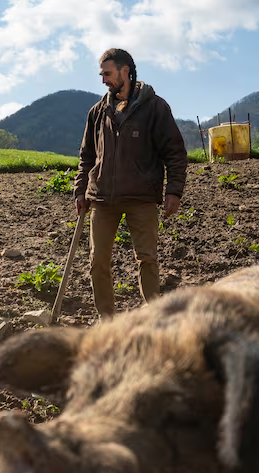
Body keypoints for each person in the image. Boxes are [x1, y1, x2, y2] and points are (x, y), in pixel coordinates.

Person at [74, 48, 188, 319]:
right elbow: (86, 155)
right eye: (101, 75)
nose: (103, 80)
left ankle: (154, 318)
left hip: (141, 198)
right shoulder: (97, 112)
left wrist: (174, 191)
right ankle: (107, 320)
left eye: (107, 74)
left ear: (126, 71)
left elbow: (174, 152)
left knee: (147, 258)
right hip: (102, 198)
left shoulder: (155, 108)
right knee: (97, 261)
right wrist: (80, 189)